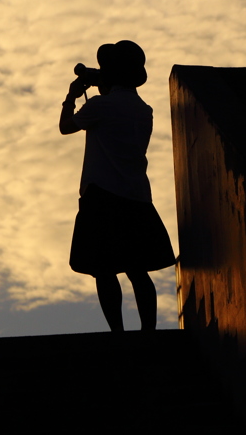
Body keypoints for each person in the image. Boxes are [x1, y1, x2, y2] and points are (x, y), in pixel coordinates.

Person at [59, 40, 176, 332]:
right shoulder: (144, 109)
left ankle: (118, 333)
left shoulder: (100, 105)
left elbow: (65, 126)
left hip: (101, 195)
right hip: (136, 194)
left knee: (104, 268)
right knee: (138, 269)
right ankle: (149, 330)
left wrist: (71, 97)